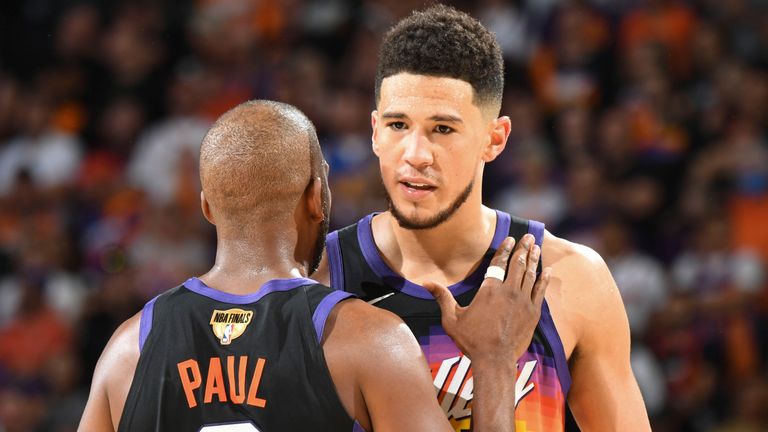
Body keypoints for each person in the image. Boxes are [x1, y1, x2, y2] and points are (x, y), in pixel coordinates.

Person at [78, 100, 550, 431]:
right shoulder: (367, 339)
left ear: (207, 207)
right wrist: (492, 360)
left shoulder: (127, 350)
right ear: (316, 198)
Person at [315, 5, 651, 431]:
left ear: (495, 139)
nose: (416, 155)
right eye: (399, 125)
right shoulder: (316, 281)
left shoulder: (573, 280)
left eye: (443, 129)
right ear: (375, 131)